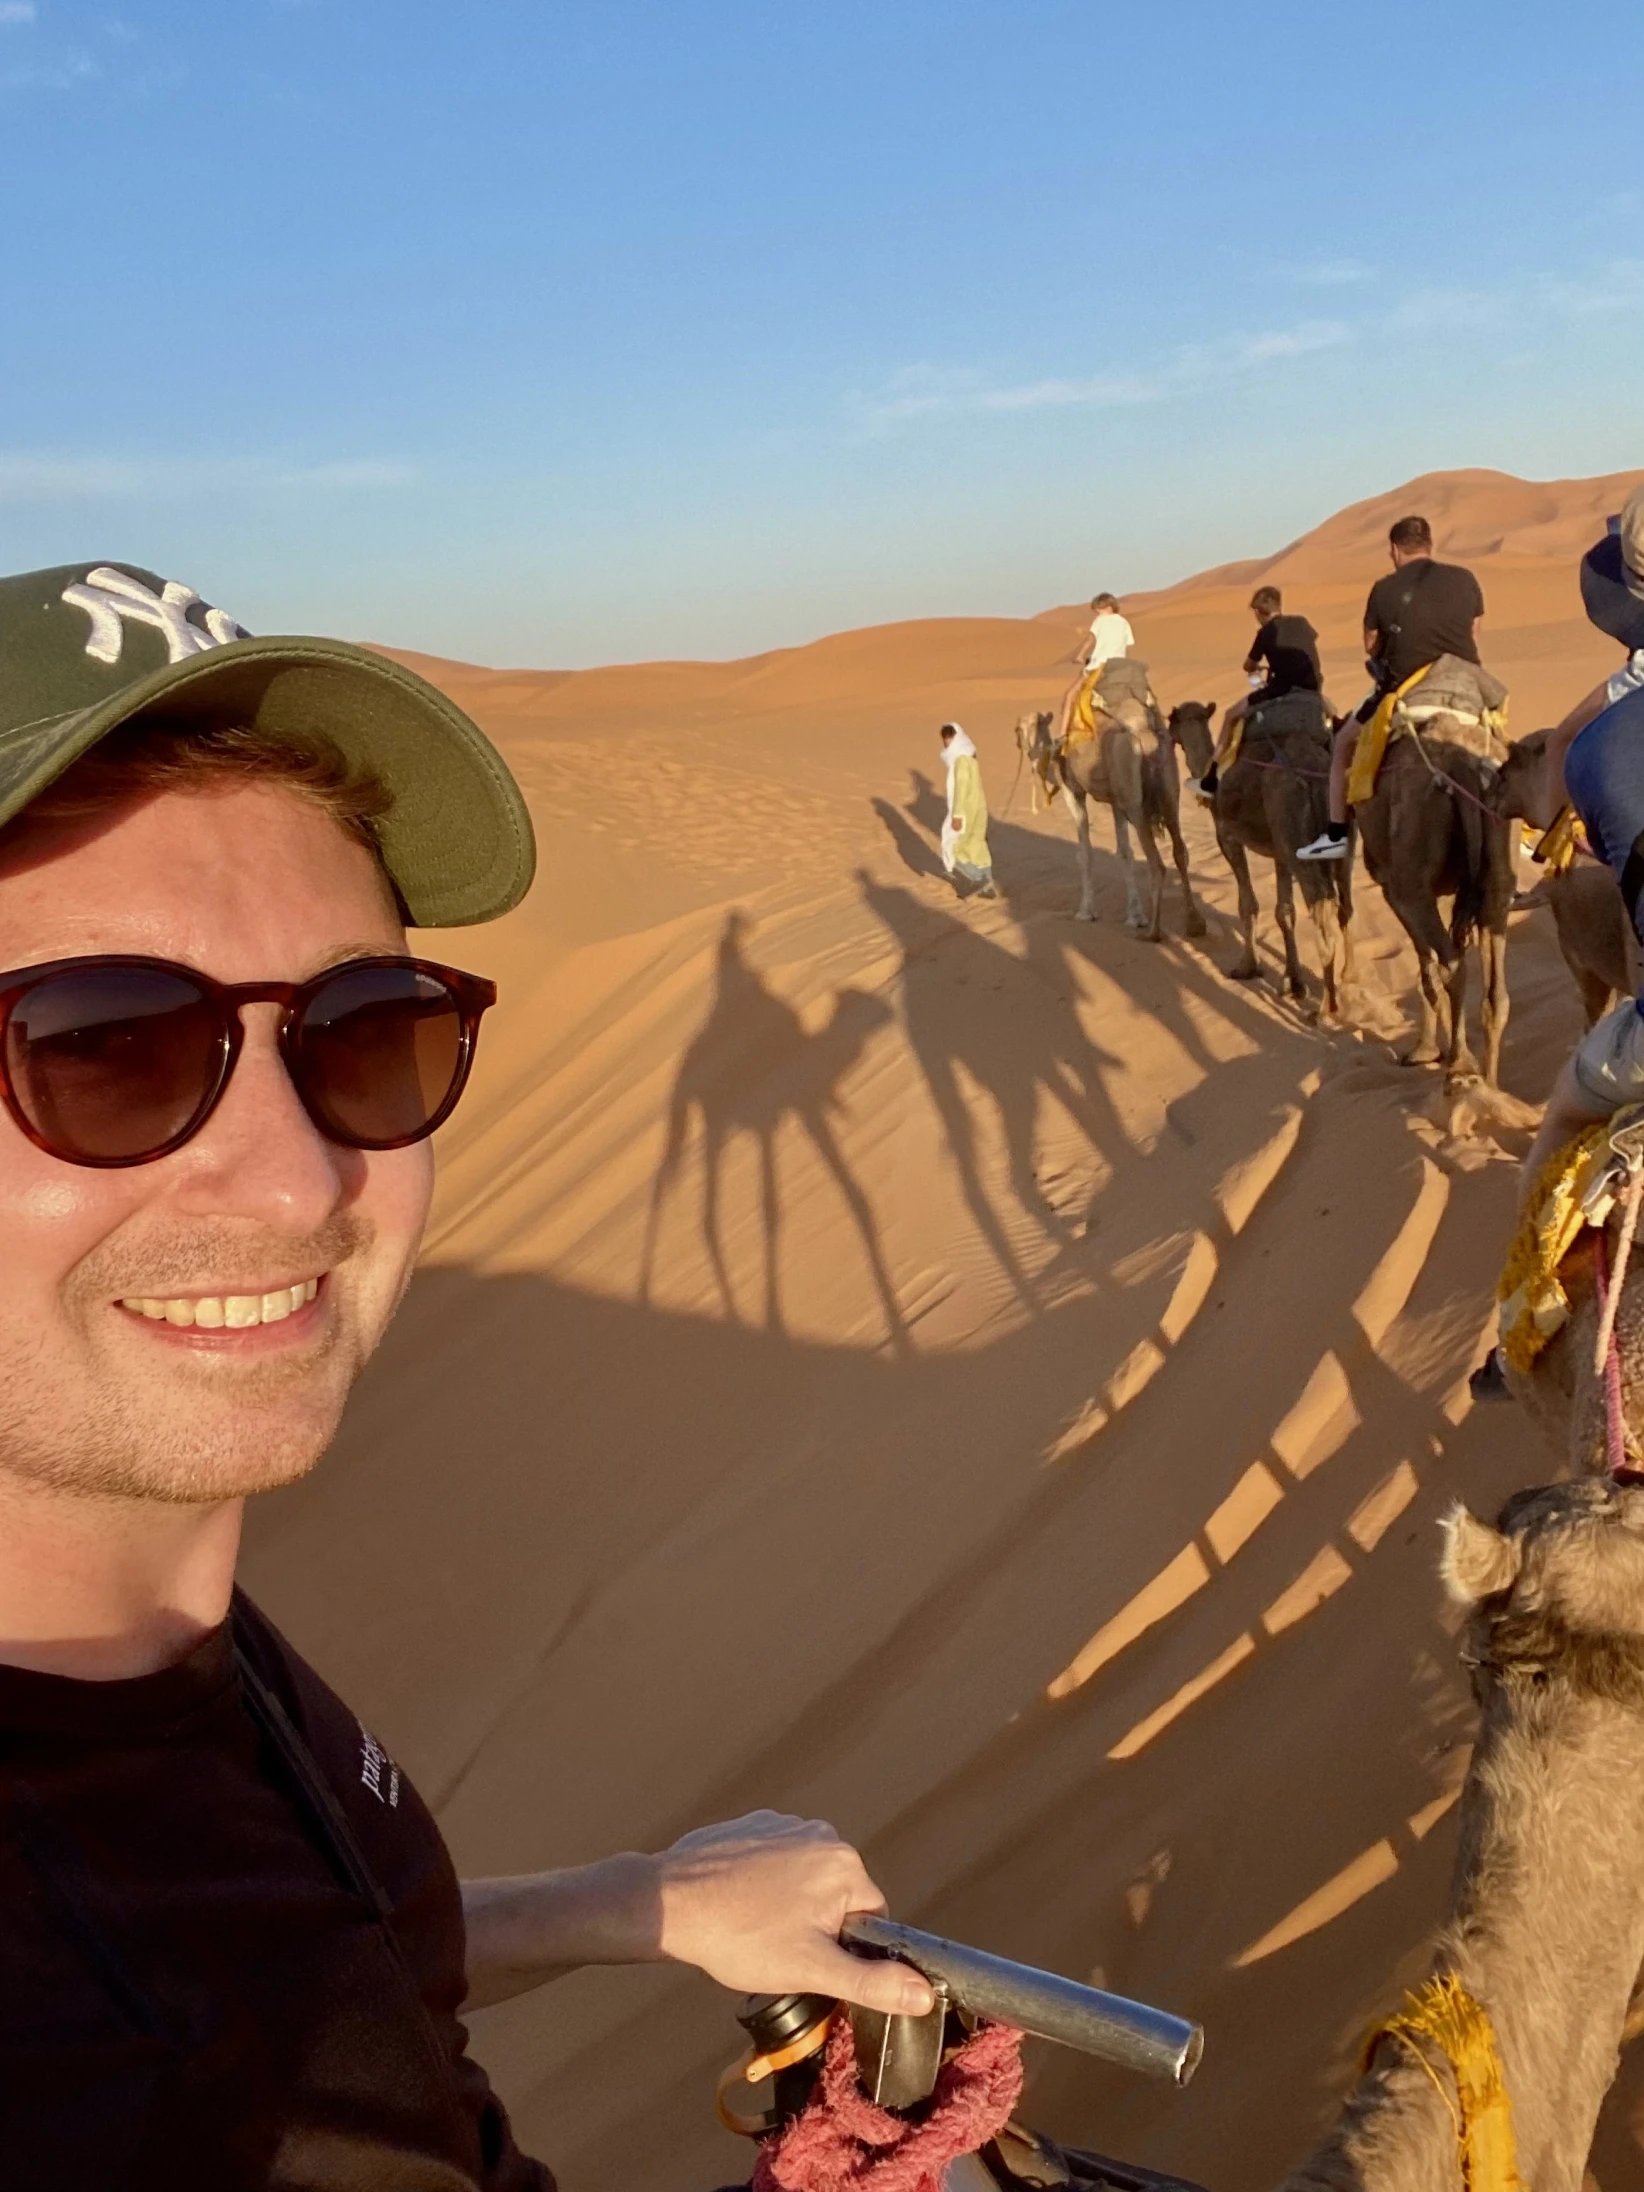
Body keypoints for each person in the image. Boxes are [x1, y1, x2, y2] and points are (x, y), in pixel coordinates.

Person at [0, 560, 933, 2192]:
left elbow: (306, 1943)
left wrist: (634, 1904)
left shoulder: (126, 1620)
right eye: (104, 1046)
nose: (299, 1184)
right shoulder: (102, 2076)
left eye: (366, 1029)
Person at [1518, 487, 1644, 1185]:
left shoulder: (1602, 744)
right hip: (1459, 686)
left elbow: (1569, 745)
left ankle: (1535, 1290)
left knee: (1564, 1112)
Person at [1297, 514, 1486, 860]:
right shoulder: (1465, 579)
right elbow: (1475, 633)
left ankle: (1336, 833)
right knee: (1497, 749)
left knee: (1341, 746)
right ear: (1430, 544)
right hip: (1468, 686)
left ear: (1395, 550)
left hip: (1404, 689)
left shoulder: (1384, 589)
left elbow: (1371, 645)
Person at [1198, 584, 1323, 797]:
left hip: (1280, 690)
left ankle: (1212, 773)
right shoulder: (1302, 622)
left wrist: (1259, 666)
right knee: (1331, 715)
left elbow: (1248, 665)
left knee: (1230, 716)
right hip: (1312, 689)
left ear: (1258, 612)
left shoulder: (1266, 632)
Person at [939, 721, 998, 897]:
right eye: (945, 739)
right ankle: (988, 886)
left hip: (966, 812)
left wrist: (957, 816)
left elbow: (961, 789)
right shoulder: (970, 758)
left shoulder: (961, 761)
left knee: (956, 848)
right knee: (978, 847)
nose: (946, 743)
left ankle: (977, 879)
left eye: (949, 738)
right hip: (978, 809)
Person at [1080, 591, 1134, 673]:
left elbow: (1090, 639)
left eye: (1098, 612)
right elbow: (1129, 644)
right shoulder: (1124, 622)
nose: (1097, 615)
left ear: (1109, 609)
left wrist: (1080, 655)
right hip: (1119, 662)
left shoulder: (1100, 620)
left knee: (1083, 676)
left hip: (1100, 661)